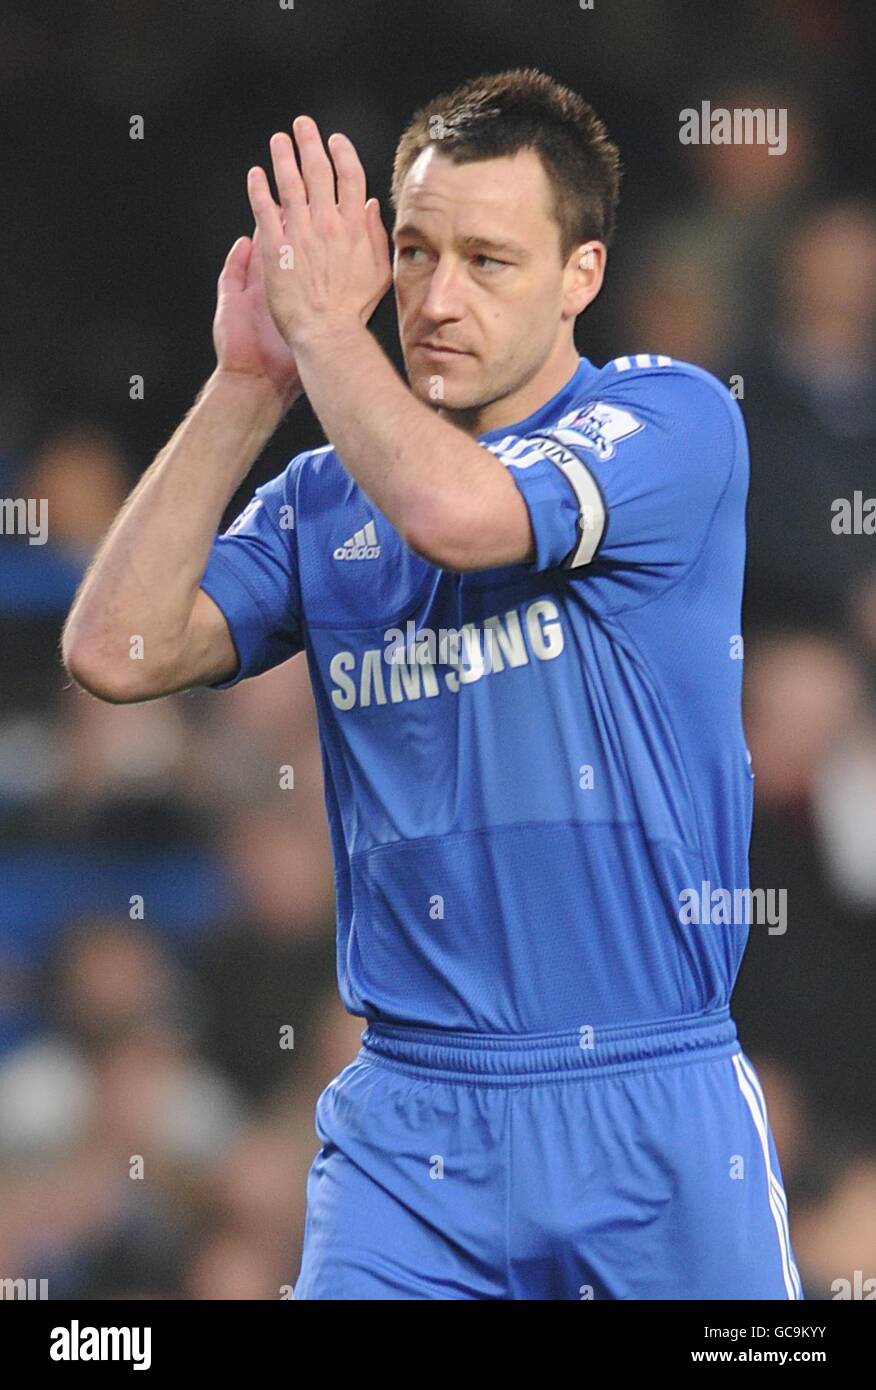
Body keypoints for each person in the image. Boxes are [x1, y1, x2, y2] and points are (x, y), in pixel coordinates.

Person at [63, 68, 801, 1300]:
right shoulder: (321, 503)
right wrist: (250, 384)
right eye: (412, 252)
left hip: (651, 1109)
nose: (437, 298)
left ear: (585, 277)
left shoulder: (670, 421)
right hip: (412, 1134)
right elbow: (113, 651)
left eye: (489, 260)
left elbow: (458, 510)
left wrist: (328, 339)